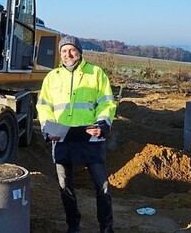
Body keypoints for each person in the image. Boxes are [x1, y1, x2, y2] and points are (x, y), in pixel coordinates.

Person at [36, 35, 117, 233]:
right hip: (62, 137)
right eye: (64, 51)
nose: (68, 54)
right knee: (65, 186)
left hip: (90, 136)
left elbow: (107, 102)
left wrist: (103, 124)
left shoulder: (95, 73)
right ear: (60, 54)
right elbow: (43, 106)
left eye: (71, 50)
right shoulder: (52, 77)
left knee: (102, 186)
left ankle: (106, 228)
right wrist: (48, 129)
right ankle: (73, 226)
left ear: (79, 52)